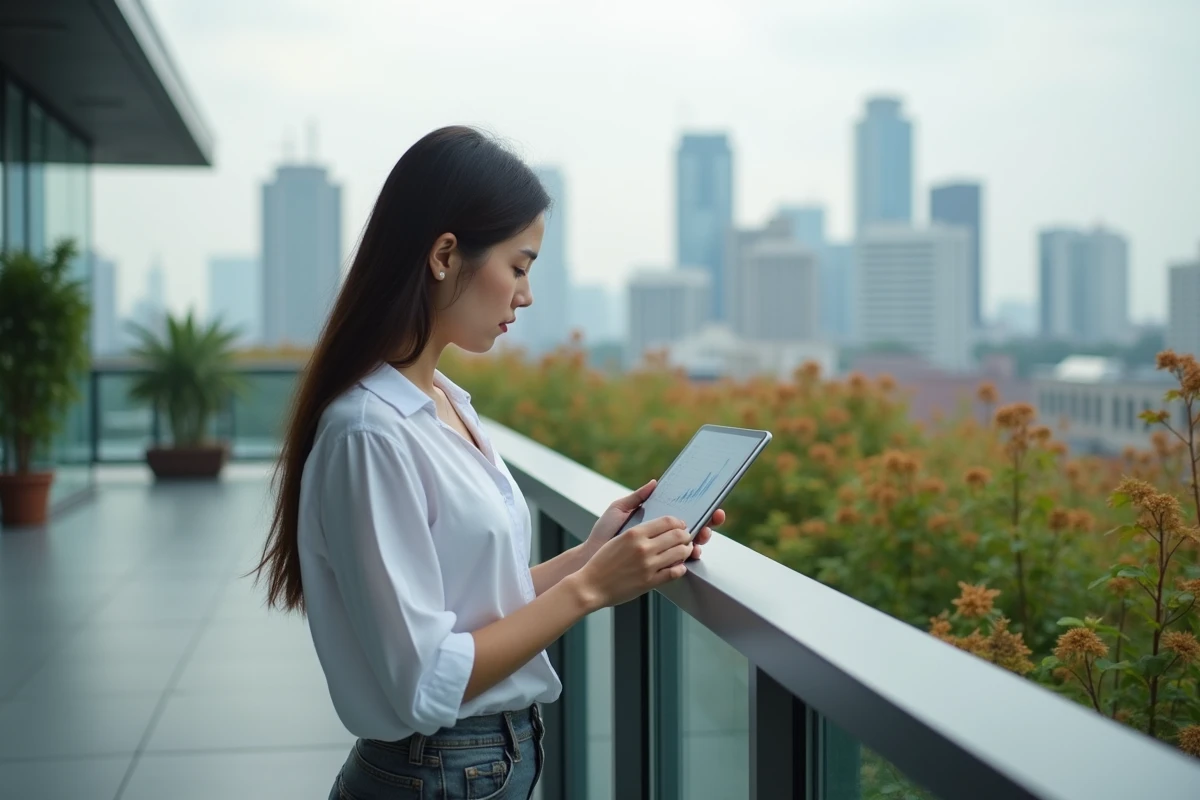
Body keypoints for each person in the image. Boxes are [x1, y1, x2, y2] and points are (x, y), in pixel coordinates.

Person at [251, 125, 724, 800]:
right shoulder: (370, 433)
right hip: (437, 775)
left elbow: (466, 607)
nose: (525, 296)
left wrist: (594, 554)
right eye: (521, 266)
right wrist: (590, 590)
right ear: (446, 254)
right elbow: (425, 681)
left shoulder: (443, 401)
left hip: (478, 764)